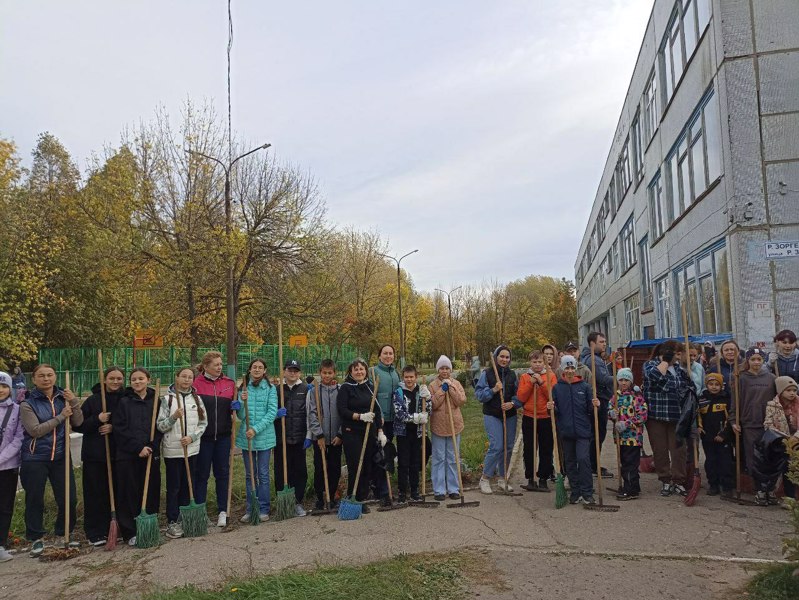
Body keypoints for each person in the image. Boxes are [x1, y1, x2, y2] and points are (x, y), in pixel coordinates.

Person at [19, 364, 83, 557]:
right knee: (35, 499)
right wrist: (60, 417)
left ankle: (63, 533)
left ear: (55, 377)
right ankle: (36, 538)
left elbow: (78, 422)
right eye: (41, 376)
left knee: (69, 498)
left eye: (49, 375)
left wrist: (74, 402)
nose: (46, 379)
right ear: (34, 379)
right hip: (35, 457)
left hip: (61, 457)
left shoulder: (64, 397)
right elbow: (35, 430)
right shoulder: (28, 403)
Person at [73, 365, 125, 546]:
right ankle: (96, 531)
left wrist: (113, 427)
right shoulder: (93, 401)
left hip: (118, 454)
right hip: (95, 455)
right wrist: (98, 419)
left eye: (119, 379)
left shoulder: (126, 399)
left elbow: (131, 423)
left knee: (119, 492)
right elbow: (78, 426)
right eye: (112, 378)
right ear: (104, 380)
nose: (115, 382)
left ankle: (118, 527)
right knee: (95, 493)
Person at [157, 367, 208, 539]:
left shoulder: (197, 399)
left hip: (192, 450)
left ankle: (186, 516)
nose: (186, 380)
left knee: (189, 484)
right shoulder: (166, 400)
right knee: (174, 487)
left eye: (190, 377)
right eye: (183, 377)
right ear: (177, 378)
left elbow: (203, 423)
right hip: (173, 451)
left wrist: (192, 437)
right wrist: (173, 417)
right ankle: (172, 520)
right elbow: (160, 426)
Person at [114, 368, 162, 546]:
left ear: (148, 380)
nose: (137, 382)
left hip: (151, 453)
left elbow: (160, 427)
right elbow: (119, 429)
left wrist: (151, 446)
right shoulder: (124, 402)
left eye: (141, 378)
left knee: (151, 491)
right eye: (134, 379)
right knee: (129, 492)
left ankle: (149, 526)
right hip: (128, 455)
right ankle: (130, 531)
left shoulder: (157, 401)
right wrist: (137, 448)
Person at [643, 340, 694, 497]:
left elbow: (686, 389)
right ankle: (665, 480)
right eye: (676, 354)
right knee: (660, 450)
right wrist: (665, 361)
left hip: (676, 416)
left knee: (679, 450)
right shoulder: (650, 366)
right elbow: (656, 378)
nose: (679, 358)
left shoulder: (679, 369)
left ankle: (679, 480)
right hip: (656, 416)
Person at [547, 355, 600, 504]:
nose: (570, 371)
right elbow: (555, 411)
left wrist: (595, 405)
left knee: (583, 459)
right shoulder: (557, 388)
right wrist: (551, 408)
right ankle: (575, 492)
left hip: (583, 431)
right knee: (569, 462)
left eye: (572, 368)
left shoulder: (585, 387)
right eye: (567, 368)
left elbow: (590, 410)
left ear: (575, 369)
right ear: (563, 369)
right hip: (566, 431)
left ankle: (587, 492)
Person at [337, 358, 388, 513]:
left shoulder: (370, 387)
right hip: (351, 433)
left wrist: (380, 431)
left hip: (369, 432)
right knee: (355, 466)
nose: (359, 372)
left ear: (366, 371)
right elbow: (342, 410)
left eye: (361, 369)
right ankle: (353, 498)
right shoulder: (346, 388)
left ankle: (362, 498)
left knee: (366, 466)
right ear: (350, 371)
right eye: (356, 369)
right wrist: (359, 416)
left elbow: (377, 410)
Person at [193, 351, 236, 528]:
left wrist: (237, 407)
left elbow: (237, 411)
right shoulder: (196, 384)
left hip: (224, 437)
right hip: (203, 437)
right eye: (216, 364)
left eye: (220, 364)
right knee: (201, 474)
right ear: (206, 366)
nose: (219, 367)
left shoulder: (229, 384)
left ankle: (222, 510)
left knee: (222, 473)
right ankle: (200, 510)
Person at [236, 358, 278, 522]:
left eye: (260, 367)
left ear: (265, 370)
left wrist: (255, 429)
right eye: (254, 367)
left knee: (263, 474)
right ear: (250, 370)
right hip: (247, 438)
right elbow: (241, 416)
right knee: (250, 475)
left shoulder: (270, 388)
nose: (257, 370)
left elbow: (271, 413)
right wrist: (241, 402)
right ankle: (250, 508)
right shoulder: (244, 388)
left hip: (264, 437)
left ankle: (263, 508)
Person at [730, 348, 776, 488]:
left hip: (769, 424)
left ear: (763, 360)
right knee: (752, 456)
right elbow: (735, 402)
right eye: (753, 359)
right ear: (747, 361)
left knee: (768, 456)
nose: (756, 362)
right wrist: (733, 421)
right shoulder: (741, 378)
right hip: (749, 423)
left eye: (759, 359)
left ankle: (769, 487)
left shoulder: (771, 378)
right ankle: (757, 487)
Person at [475, 345, 518, 494]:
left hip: (510, 415)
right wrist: (493, 390)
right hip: (492, 414)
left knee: (508, 447)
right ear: (496, 358)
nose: (504, 359)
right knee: (497, 445)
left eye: (507, 357)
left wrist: (512, 403)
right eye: (502, 356)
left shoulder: (512, 375)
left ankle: (502, 478)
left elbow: (518, 395)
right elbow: (479, 395)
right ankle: (485, 478)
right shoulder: (487, 374)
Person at [516, 350, 557, 491]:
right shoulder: (524, 377)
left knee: (546, 449)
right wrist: (531, 383)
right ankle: (531, 478)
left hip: (545, 417)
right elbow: (521, 397)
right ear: (530, 363)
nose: (538, 365)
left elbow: (552, 396)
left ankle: (544, 478)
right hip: (529, 416)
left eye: (540, 362)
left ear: (544, 362)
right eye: (535, 362)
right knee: (529, 449)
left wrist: (541, 383)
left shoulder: (550, 376)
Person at [275, 359, 310, 517]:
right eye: (290, 370)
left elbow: (310, 414)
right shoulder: (277, 390)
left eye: (296, 370)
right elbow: (269, 411)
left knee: (300, 471)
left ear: (299, 373)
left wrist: (308, 435)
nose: (293, 373)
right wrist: (276, 415)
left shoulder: (305, 389)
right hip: (281, 439)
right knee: (281, 471)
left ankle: (297, 501)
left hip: (299, 438)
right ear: (284, 371)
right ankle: (283, 501)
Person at [428, 356, 466, 500]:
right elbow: (433, 404)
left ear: (450, 369)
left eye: (447, 368)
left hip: (454, 425)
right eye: (442, 368)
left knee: (452, 457)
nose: (444, 371)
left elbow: (461, 401)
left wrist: (450, 387)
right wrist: (441, 390)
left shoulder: (456, 383)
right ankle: (439, 490)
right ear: (438, 370)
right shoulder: (433, 385)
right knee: (439, 458)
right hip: (438, 425)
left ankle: (453, 488)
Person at [307, 359, 343, 511]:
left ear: (334, 373)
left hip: (336, 437)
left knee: (335, 466)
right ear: (320, 373)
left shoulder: (340, 390)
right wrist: (319, 434)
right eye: (324, 373)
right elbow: (312, 413)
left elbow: (344, 413)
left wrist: (341, 434)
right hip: (320, 438)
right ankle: (321, 496)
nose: (327, 375)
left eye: (330, 373)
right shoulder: (314, 391)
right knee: (320, 467)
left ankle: (333, 494)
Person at [392, 364, 431, 502]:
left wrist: (429, 398)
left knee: (415, 462)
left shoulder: (421, 391)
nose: (409, 379)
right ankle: (402, 492)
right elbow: (399, 414)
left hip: (418, 433)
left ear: (416, 377)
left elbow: (428, 410)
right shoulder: (399, 392)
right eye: (406, 377)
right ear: (403, 377)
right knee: (403, 463)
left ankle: (414, 491)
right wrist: (415, 417)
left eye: (411, 377)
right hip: (403, 433)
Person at [581, 332, 615, 478]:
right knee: (597, 434)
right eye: (601, 341)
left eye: (605, 341)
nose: (604, 344)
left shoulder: (592, 358)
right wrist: (620, 377)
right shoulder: (593, 360)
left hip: (599, 398)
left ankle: (592, 465)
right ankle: (593, 466)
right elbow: (603, 379)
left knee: (596, 434)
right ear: (592, 344)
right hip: (598, 399)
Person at [610, 368, 647, 500]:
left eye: (626, 380)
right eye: (621, 380)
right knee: (624, 461)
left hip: (633, 437)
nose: (623, 382)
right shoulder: (616, 395)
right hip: (620, 437)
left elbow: (642, 415)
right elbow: (610, 409)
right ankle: (634, 486)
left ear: (630, 381)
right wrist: (611, 414)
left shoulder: (636, 397)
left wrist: (626, 423)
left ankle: (630, 489)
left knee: (630, 463)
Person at [697, 373, 734, 497]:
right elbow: (698, 417)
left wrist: (724, 434)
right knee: (711, 462)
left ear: (721, 386)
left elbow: (730, 419)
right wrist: (699, 427)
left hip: (723, 437)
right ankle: (713, 484)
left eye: (717, 384)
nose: (714, 387)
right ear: (706, 385)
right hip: (707, 437)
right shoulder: (702, 400)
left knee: (726, 462)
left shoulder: (726, 399)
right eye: (711, 384)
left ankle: (727, 486)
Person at [764, 376, 799, 503]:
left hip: (797, 442)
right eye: (788, 390)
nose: (792, 393)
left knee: (794, 469)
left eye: (794, 390)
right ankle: (789, 498)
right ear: (780, 391)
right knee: (785, 469)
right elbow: (768, 424)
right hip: (780, 442)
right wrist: (784, 438)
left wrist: (795, 437)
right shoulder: (772, 405)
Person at [0, 371, 23, 562]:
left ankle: (0, 545)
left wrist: (1, 458)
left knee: (5, 506)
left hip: (8, 467)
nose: (1, 390)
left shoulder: (16, 409)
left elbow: (18, 438)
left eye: (4, 386)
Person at [372, 345, 400, 498]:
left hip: (394, 420)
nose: (388, 356)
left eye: (391, 353)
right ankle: (380, 490)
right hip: (380, 421)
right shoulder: (375, 372)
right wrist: (378, 416)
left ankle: (386, 488)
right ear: (379, 356)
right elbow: (372, 397)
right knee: (380, 454)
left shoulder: (395, 373)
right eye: (385, 353)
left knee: (388, 453)